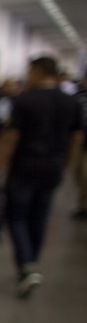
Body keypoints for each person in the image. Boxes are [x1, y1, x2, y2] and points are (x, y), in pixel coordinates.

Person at [0, 57, 83, 298]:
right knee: (40, 215)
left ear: (38, 71)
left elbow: (11, 137)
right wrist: (67, 165)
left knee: (16, 216)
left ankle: (26, 264)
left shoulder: (24, 101)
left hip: (24, 166)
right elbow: (76, 138)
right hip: (53, 166)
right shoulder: (70, 102)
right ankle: (31, 261)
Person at [72, 74, 87, 220]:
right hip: (79, 144)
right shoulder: (78, 97)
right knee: (78, 176)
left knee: (85, 176)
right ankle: (82, 205)